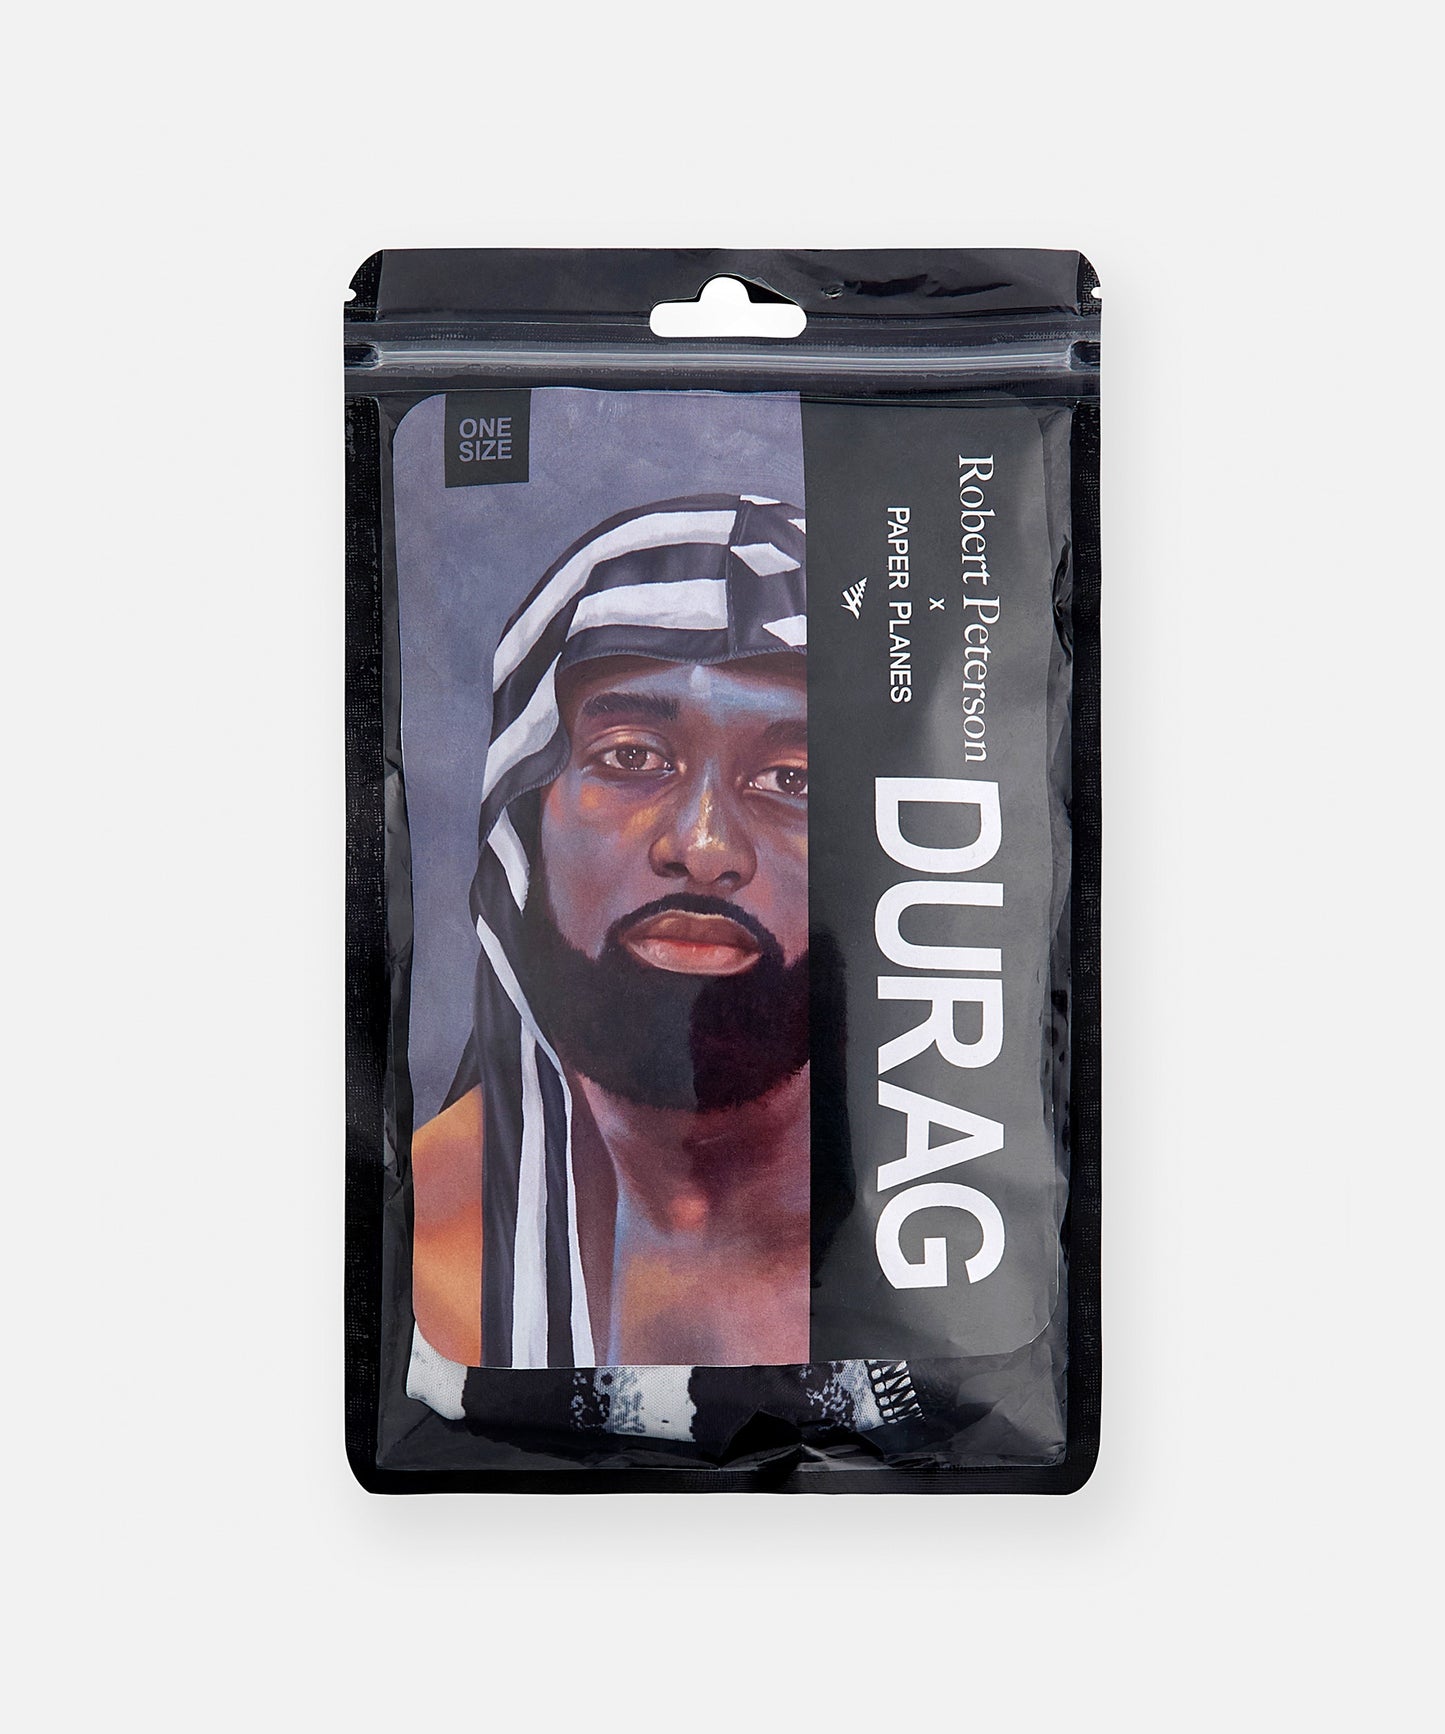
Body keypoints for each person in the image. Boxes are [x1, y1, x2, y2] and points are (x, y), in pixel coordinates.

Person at [410, 494, 815, 1371]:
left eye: (792, 779)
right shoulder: (405, 1251)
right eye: (631, 758)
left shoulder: (953, 1241)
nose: (703, 849)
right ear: (525, 816)